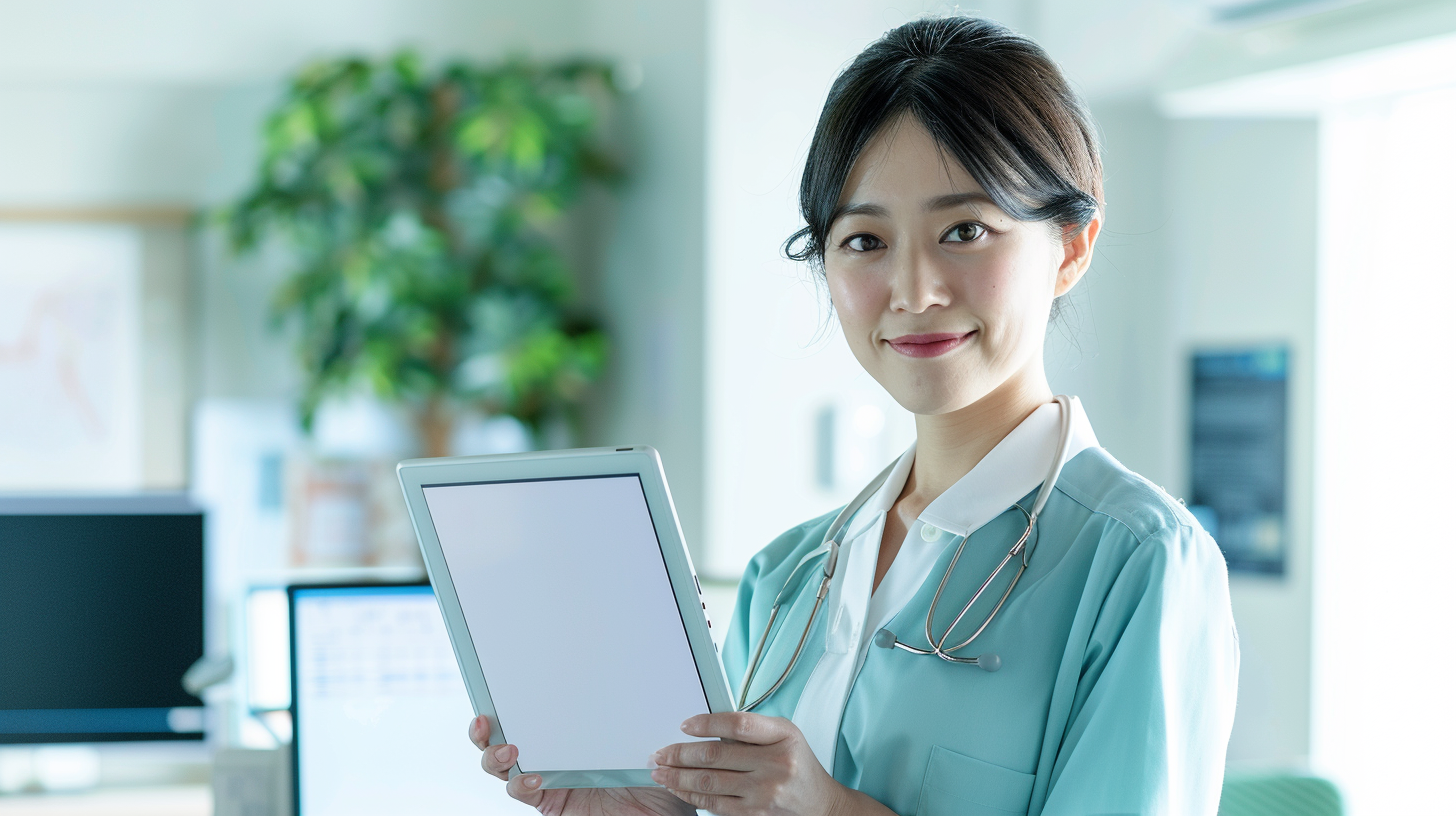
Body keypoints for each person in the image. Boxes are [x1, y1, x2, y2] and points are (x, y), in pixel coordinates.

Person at [468, 15, 1238, 816]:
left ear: (1071, 246)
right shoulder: (786, 577)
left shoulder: (1141, 563)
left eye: (965, 230)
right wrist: (640, 809)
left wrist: (831, 811)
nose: (914, 289)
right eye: (864, 241)